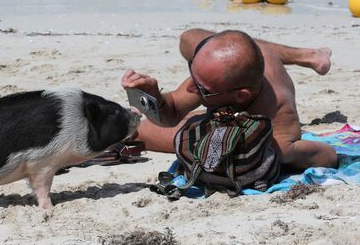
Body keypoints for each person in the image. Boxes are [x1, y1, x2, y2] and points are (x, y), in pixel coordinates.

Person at [121, 28, 337, 170]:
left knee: (138, 133)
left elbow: (329, 156)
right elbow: (173, 110)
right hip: (248, 61)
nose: (189, 87)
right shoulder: (214, 81)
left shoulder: (276, 122)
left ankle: (306, 55)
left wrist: (288, 155)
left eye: (202, 88)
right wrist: (154, 97)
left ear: (240, 96)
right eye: (192, 72)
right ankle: (307, 55)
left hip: (258, 91)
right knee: (188, 38)